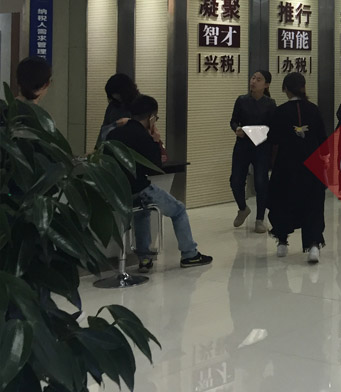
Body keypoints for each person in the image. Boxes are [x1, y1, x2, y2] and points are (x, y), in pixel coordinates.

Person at [108, 94, 212, 271]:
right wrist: (156, 141)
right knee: (178, 210)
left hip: (118, 193)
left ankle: (145, 258)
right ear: (151, 118)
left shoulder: (114, 133)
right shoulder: (143, 136)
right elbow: (155, 166)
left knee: (142, 212)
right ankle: (190, 254)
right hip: (139, 189)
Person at [268, 72, 328, 264]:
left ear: (285, 89)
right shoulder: (314, 109)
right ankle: (313, 245)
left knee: (282, 201)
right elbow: (323, 139)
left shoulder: (280, 111)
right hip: (311, 166)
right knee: (313, 204)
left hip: (286, 166)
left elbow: (273, 138)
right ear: (303, 87)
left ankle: (282, 241)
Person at [230, 69, 277, 233]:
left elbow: (274, 126)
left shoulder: (270, 103)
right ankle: (243, 208)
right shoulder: (242, 100)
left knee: (261, 182)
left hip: (262, 146)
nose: (254, 81)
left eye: (258, 79)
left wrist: (264, 133)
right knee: (235, 181)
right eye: (253, 78)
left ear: (266, 85)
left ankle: (260, 219)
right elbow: (233, 121)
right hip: (243, 145)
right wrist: (236, 129)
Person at [99, 73, 139, 145]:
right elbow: (104, 128)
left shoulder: (140, 103)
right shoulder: (113, 106)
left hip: (133, 145)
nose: (115, 96)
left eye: (116, 93)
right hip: (112, 145)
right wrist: (98, 147)